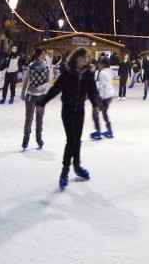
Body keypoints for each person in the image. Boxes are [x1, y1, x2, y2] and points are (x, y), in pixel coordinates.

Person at [37, 48, 100, 190]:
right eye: (84, 56)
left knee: (77, 140)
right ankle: (65, 171)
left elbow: (92, 91)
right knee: (71, 140)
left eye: (88, 57)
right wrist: (42, 102)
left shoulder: (88, 74)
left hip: (80, 111)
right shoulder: (67, 74)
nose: (86, 59)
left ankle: (77, 166)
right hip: (67, 110)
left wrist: (95, 105)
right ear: (77, 58)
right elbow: (55, 89)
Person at [20, 48, 50, 151]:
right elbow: (26, 81)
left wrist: (39, 88)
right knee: (29, 119)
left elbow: (47, 82)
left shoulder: (46, 67)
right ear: (37, 56)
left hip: (41, 96)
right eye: (42, 54)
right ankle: (25, 141)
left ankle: (39, 139)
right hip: (30, 96)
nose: (44, 56)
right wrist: (22, 93)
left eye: (44, 55)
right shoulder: (30, 66)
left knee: (39, 119)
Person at [91, 58, 115, 140]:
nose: (98, 65)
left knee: (95, 112)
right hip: (110, 95)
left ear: (103, 64)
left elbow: (103, 86)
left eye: (100, 64)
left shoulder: (102, 73)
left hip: (105, 96)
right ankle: (109, 130)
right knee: (104, 112)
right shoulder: (109, 71)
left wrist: (100, 97)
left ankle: (98, 131)